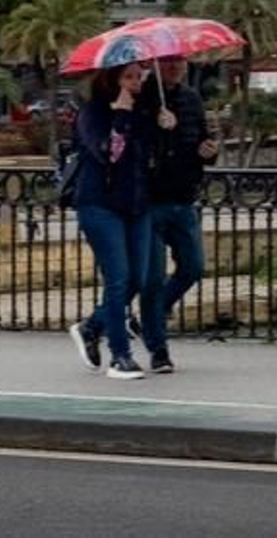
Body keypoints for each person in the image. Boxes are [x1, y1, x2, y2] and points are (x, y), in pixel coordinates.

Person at [67, 63, 155, 380]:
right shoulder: (93, 113)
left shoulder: (144, 110)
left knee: (137, 280)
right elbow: (108, 153)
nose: (135, 83)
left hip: (137, 205)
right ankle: (120, 357)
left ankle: (91, 327)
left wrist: (165, 126)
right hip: (100, 204)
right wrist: (120, 115)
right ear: (111, 81)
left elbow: (148, 158)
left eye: (138, 77)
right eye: (128, 78)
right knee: (118, 280)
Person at [135, 57, 218, 374]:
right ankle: (159, 350)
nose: (175, 66)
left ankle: (150, 316)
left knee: (193, 267)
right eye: (168, 62)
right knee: (152, 280)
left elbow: (200, 139)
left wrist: (209, 151)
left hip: (184, 198)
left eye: (179, 61)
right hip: (150, 202)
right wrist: (157, 127)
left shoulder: (191, 97)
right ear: (155, 65)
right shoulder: (142, 99)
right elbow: (131, 146)